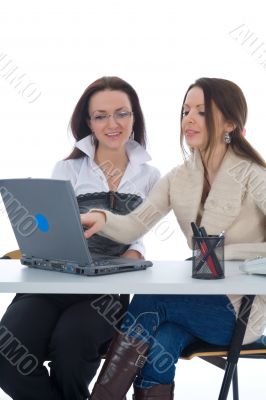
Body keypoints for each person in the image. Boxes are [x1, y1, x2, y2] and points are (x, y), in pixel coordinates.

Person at [80, 77, 266, 400]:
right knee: (163, 340)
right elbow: (135, 225)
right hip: (200, 298)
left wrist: (239, 256)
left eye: (202, 111)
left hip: (242, 310)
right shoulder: (178, 178)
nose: (188, 120)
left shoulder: (253, 175)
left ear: (231, 123)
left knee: (153, 299)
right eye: (185, 111)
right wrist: (103, 218)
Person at [0, 76, 160, 400]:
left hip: (103, 292)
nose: (112, 123)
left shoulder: (150, 176)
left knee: (71, 347)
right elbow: (51, 229)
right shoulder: (68, 168)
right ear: (89, 122)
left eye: (121, 113)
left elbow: (138, 230)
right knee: (6, 354)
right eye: (100, 115)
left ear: (135, 117)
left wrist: (136, 252)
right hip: (54, 283)